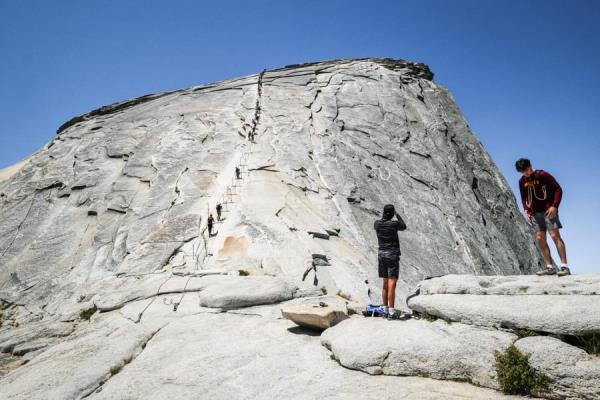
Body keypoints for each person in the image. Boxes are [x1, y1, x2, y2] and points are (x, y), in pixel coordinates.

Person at [515, 158, 570, 276]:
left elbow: (558, 189)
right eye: (522, 172)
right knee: (540, 238)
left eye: (526, 170)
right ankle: (549, 267)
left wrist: (554, 206)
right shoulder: (522, 181)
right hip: (534, 213)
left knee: (555, 236)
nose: (525, 173)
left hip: (548, 210)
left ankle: (564, 267)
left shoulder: (542, 175)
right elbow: (524, 197)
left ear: (530, 166)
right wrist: (526, 210)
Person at [373, 204, 407, 319]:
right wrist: (397, 214)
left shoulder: (377, 224)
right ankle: (391, 312)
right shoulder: (394, 224)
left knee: (385, 283)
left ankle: (385, 310)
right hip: (392, 255)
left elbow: (380, 223)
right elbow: (403, 226)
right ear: (392, 213)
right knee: (392, 283)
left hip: (381, 254)